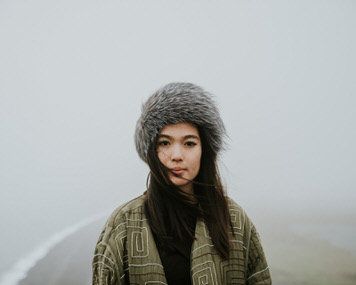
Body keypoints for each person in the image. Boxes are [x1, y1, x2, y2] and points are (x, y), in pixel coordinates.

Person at [92, 82, 271, 284]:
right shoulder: (123, 223)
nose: (176, 156)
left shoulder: (235, 220)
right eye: (165, 142)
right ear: (151, 151)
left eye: (189, 143)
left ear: (205, 150)